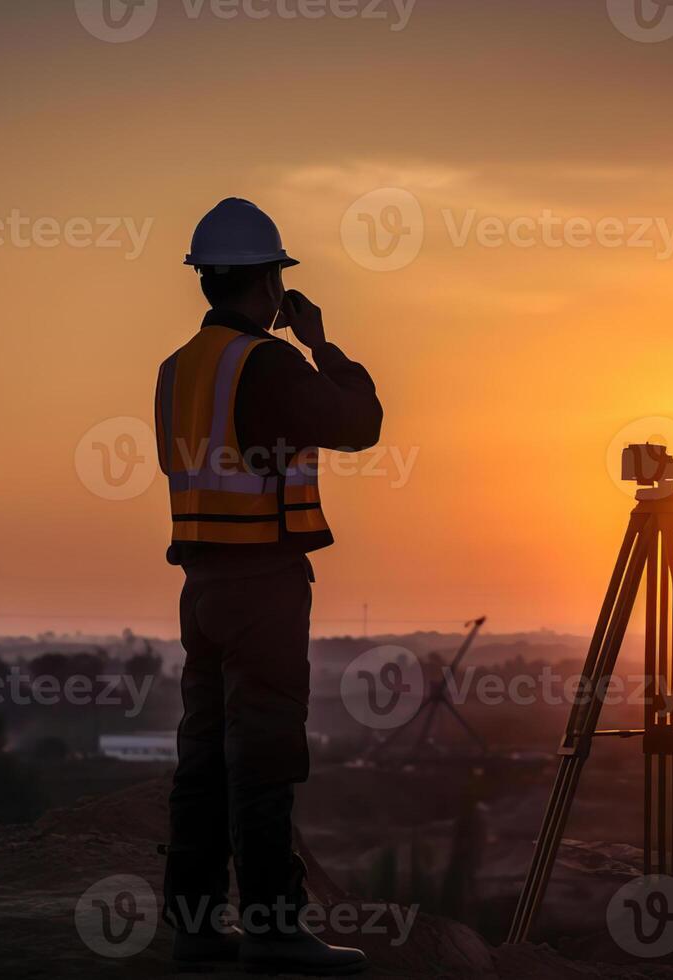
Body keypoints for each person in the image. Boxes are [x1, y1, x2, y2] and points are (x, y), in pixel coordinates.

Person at [155, 197, 381, 974]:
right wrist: (322, 344)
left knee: (204, 755)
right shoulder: (270, 363)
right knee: (265, 755)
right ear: (267, 283)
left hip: (202, 584)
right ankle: (275, 929)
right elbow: (361, 423)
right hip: (261, 584)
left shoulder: (176, 370)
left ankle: (192, 923)